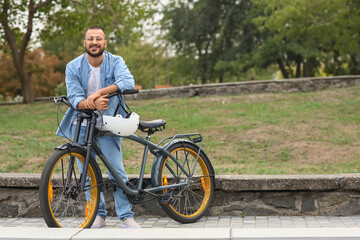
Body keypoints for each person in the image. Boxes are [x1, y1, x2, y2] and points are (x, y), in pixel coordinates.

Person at [56, 25, 141, 229]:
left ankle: (125, 216)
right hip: (82, 125)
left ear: (104, 43)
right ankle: (97, 214)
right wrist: (91, 104)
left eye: (98, 38)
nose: (94, 42)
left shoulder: (116, 61)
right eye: (90, 39)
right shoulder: (73, 67)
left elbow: (128, 82)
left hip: (110, 123)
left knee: (116, 171)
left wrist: (99, 93)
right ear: (85, 43)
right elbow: (75, 97)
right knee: (86, 173)